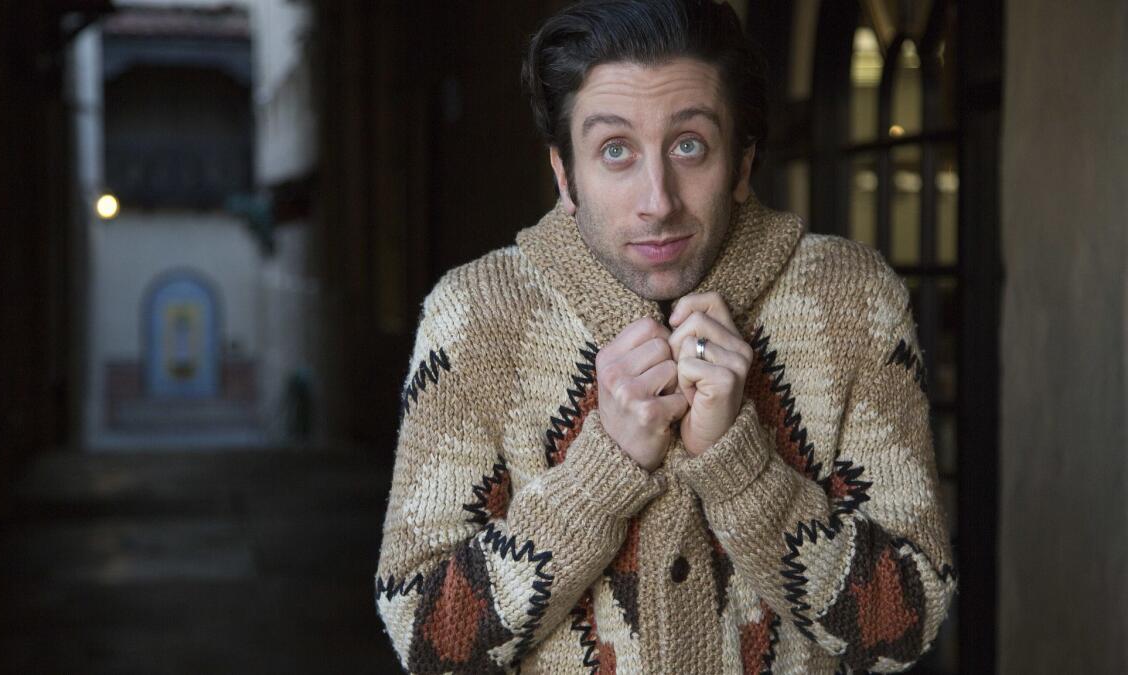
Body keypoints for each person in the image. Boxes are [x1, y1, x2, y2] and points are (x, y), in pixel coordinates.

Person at [375, 1, 957, 672]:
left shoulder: (853, 300)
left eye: (689, 146)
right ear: (566, 176)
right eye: (615, 150)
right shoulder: (474, 317)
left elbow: (903, 627)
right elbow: (428, 637)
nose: (658, 199)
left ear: (741, 164)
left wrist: (742, 469)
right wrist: (601, 473)